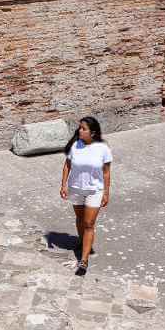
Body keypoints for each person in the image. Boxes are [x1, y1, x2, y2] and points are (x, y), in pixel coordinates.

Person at [60, 116, 112, 276]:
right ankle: (83, 242)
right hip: (75, 189)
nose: (79, 131)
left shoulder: (103, 149)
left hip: (94, 191)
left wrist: (106, 192)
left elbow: (106, 172)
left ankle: (83, 261)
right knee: (79, 219)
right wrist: (63, 185)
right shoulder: (75, 146)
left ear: (93, 133)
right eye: (79, 128)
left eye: (83, 128)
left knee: (89, 223)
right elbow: (67, 166)